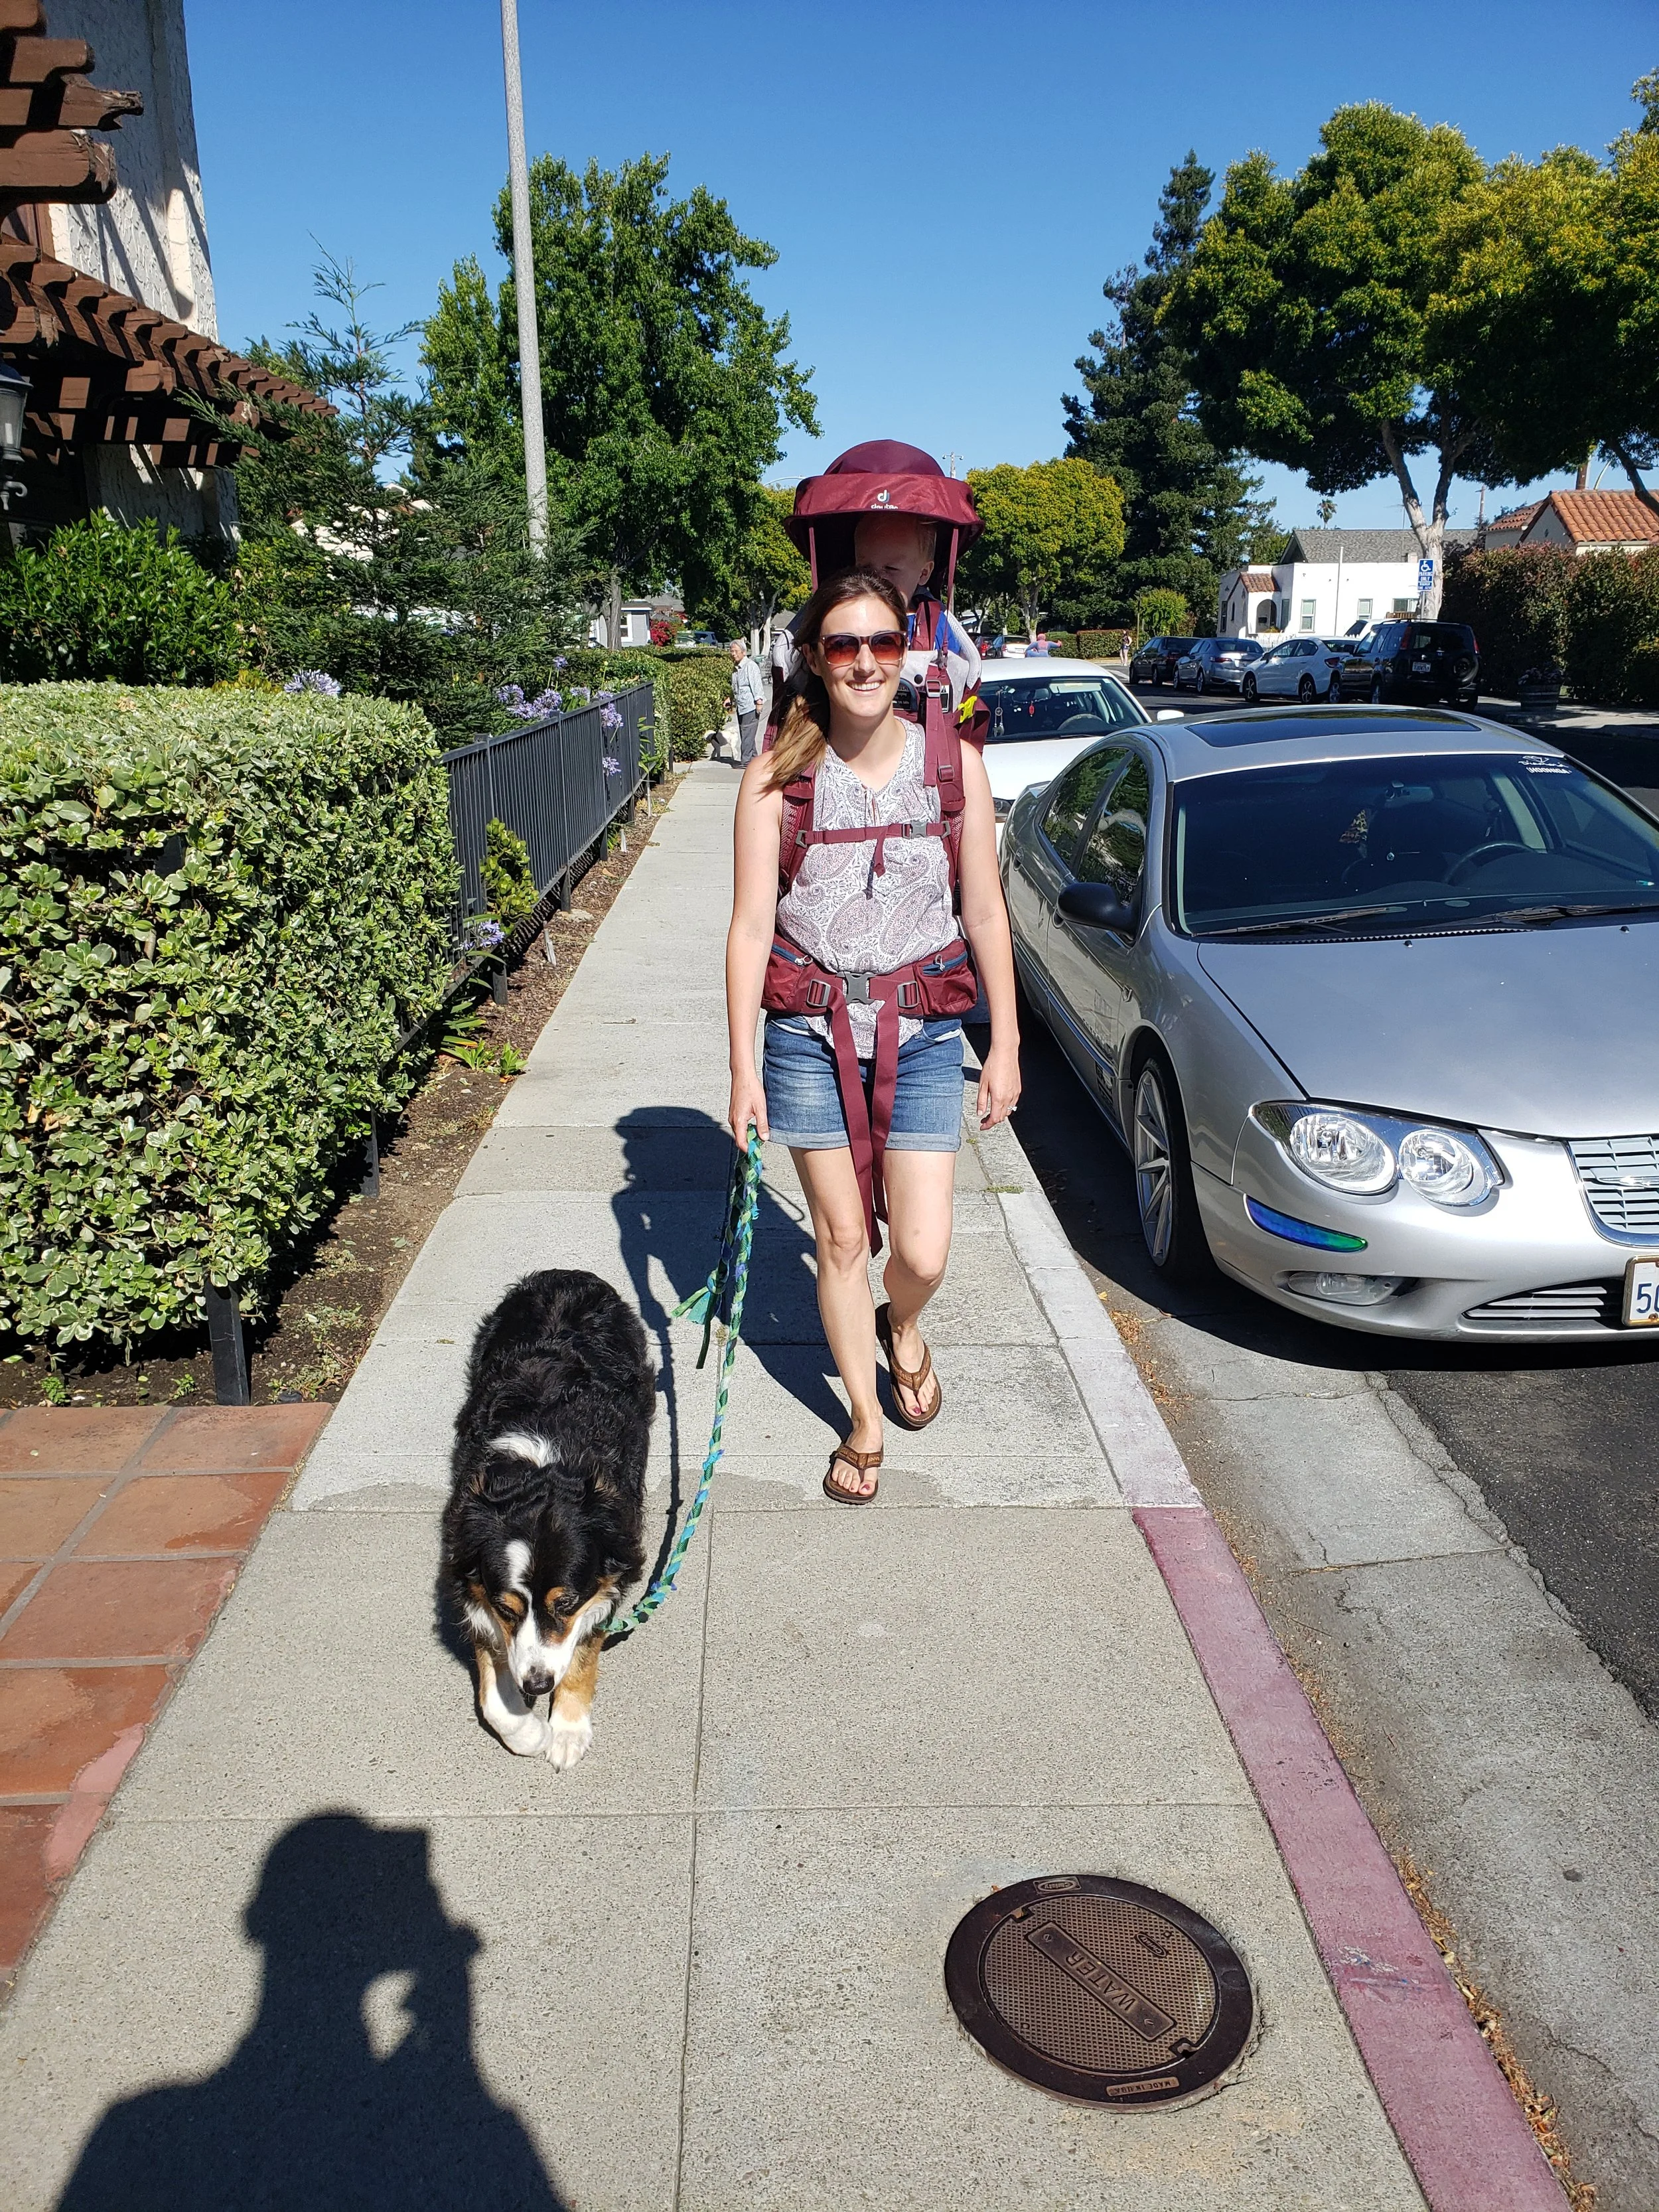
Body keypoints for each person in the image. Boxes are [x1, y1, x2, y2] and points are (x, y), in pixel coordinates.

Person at [726, 567, 1021, 1505]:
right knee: (842, 1240)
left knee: (923, 1252)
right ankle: (860, 1418)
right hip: (809, 1033)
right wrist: (743, 1071)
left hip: (926, 1025)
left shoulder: (953, 763)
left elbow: (985, 909)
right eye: (843, 644)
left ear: (909, 651)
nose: (863, 662)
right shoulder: (777, 777)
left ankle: (906, 1325)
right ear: (814, 656)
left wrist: (1004, 1041)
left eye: (882, 643)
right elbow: (746, 930)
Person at [728, 636, 765, 765]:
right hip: (741, 706)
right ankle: (754, 760)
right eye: (732, 651)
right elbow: (735, 687)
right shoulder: (736, 668)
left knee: (747, 733)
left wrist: (759, 702)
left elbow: (756, 685)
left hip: (751, 706)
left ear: (744, 652)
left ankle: (746, 761)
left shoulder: (750, 666)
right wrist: (731, 699)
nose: (733, 654)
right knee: (747, 734)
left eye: (736, 651)